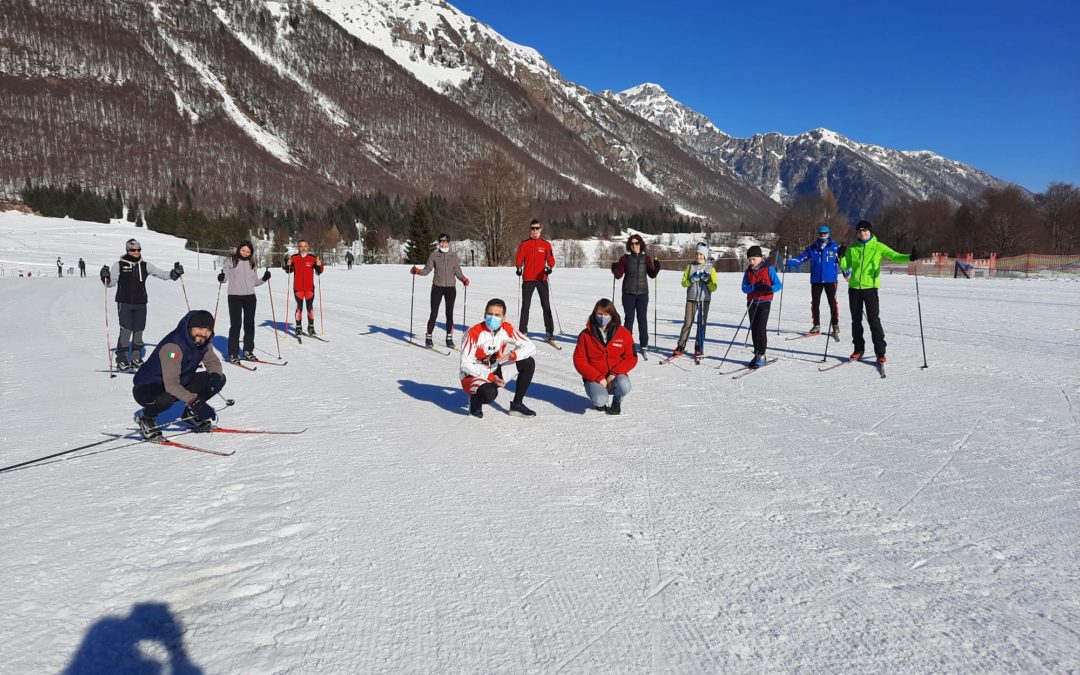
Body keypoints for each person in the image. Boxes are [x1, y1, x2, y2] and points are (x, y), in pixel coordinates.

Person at [132, 310, 226, 439]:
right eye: (199, 328)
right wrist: (196, 402)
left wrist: (214, 377)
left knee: (218, 378)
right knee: (165, 398)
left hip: (180, 381)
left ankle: (190, 415)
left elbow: (212, 361)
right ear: (189, 328)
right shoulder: (173, 347)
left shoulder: (203, 341)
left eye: (207, 330)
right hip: (149, 387)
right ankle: (146, 417)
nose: (203, 334)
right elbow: (171, 385)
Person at [839, 220, 918, 363]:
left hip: (870, 288)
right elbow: (845, 266)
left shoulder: (878, 246)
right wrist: (841, 257)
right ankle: (858, 349)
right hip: (854, 288)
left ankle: (880, 352)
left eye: (865, 231)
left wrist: (910, 257)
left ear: (870, 231)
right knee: (856, 321)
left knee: (874, 320)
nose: (862, 234)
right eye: (860, 231)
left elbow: (895, 256)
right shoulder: (853, 248)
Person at [101, 238, 183, 371]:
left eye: (139, 250)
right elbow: (110, 284)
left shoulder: (145, 265)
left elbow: (161, 274)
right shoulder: (119, 265)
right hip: (124, 302)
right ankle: (121, 358)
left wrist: (174, 274)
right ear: (127, 250)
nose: (136, 252)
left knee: (139, 331)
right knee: (126, 330)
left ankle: (136, 358)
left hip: (141, 303)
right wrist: (105, 277)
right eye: (133, 250)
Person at [459, 298, 537, 418]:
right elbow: (465, 364)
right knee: (489, 393)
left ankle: (517, 405)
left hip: (494, 370)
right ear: (485, 314)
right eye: (490, 314)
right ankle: (475, 399)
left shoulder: (507, 328)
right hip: (473, 375)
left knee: (528, 362)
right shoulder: (473, 332)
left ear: (503, 317)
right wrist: (490, 377)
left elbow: (530, 346)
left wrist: (513, 355)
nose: (493, 318)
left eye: (497, 315)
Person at [573, 298, 638, 415]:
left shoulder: (623, 333)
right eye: (600, 314)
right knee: (600, 400)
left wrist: (614, 373)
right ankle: (600, 401)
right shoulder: (585, 335)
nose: (603, 317)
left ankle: (617, 400)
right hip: (595, 378)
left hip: (615, 376)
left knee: (624, 385)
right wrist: (598, 378)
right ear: (594, 314)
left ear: (612, 315)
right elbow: (579, 361)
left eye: (606, 314)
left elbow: (632, 358)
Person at [411, 233, 469, 349]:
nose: (443, 244)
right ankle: (428, 338)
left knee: (449, 314)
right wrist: (417, 271)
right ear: (439, 243)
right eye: (441, 242)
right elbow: (427, 270)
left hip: (450, 288)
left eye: (446, 242)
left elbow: (458, 272)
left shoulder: (454, 256)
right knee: (434, 313)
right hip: (437, 287)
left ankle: (449, 338)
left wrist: (463, 279)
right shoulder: (434, 255)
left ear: (448, 243)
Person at [784, 224, 843, 338]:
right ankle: (816, 325)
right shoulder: (812, 248)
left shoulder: (835, 247)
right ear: (818, 234)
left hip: (830, 279)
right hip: (816, 279)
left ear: (829, 234)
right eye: (821, 234)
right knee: (815, 303)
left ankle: (835, 324)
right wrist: (789, 262)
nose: (823, 236)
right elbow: (801, 258)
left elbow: (843, 262)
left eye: (825, 233)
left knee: (832, 303)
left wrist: (847, 273)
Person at [217, 239, 271, 363]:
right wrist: (221, 277)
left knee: (249, 325)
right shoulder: (231, 261)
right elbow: (224, 278)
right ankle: (233, 353)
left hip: (250, 298)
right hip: (235, 297)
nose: (245, 253)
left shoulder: (252, 263)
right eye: (243, 250)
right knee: (236, 325)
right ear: (239, 249)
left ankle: (248, 351)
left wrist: (264, 278)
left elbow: (255, 282)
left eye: (248, 251)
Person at [611, 233, 661, 355]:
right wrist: (614, 268)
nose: (635, 246)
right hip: (628, 293)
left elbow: (652, 274)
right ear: (629, 245)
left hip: (643, 293)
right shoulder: (625, 259)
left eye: (637, 243)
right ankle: (627, 344)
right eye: (632, 244)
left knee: (642, 319)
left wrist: (657, 267)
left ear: (641, 244)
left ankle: (644, 345)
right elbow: (618, 276)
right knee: (629, 319)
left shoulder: (646, 259)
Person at [515, 219, 557, 343]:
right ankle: (523, 332)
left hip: (541, 279)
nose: (534, 231)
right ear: (530, 229)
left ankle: (549, 332)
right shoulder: (524, 244)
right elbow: (519, 259)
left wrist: (549, 268)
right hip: (528, 279)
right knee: (525, 307)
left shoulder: (545, 244)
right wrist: (518, 267)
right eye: (532, 228)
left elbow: (551, 260)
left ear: (540, 229)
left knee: (546, 306)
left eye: (537, 228)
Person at [673, 243, 717, 359]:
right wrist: (691, 280)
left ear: (705, 255)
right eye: (697, 254)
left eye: (701, 254)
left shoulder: (710, 268)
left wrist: (708, 281)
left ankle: (699, 347)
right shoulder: (690, 266)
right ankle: (680, 346)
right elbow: (683, 283)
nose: (698, 256)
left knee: (701, 324)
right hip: (691, 298)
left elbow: (714, 287)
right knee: (688, 322)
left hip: (704, 300)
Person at [742, 245, 783, 368]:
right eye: (750, 259)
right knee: (754, 329)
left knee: (761, 328)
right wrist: (754, 287)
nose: (752, 262)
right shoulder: (748, 271)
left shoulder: (768, 268)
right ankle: (757, 353)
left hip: (764, 302)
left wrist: (769, 288)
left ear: (760, 258)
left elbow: (778, 285)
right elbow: (744, 288)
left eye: (754, 259)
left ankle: (762, 354)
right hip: (752, 302)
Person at [283, 240, 323, 337]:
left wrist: (319, 265)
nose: (303, 248)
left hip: (309, 288)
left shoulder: (313, 258)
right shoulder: (294, 258)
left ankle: (311, 327)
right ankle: (298, 328)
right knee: (299, 308)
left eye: (305, 246)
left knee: (310, 308)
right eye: (301, 246)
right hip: (298, 288)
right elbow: (288, 271)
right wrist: (287, 264)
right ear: (298, 247)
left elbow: (319, 271)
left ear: (308, 247)